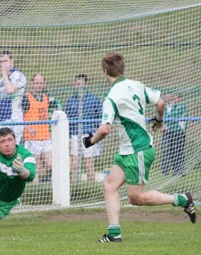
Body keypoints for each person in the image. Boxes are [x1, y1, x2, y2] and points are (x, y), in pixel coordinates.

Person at [83, 52, 196, 243]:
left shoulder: (110, 96)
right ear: (122, 69)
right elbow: (160, 103)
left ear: (104, 72)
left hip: (138, 150)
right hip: (129, 151)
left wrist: (90, 141)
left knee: (135, 198)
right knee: (110, 185)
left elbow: (104, 129)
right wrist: (159, 121)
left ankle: (182, 199)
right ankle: (114, 233)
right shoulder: (136, 85)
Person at [65, 74, 102, 182]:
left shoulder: (94, 99)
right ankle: (74, 186)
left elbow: (99, 117)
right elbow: (68, 121)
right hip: (75, 135)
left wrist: (96, 133)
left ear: (86, 84)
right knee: (74, 163)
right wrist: (68, 137)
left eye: (81, 84)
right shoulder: (71, 101)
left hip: (89, 134)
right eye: (77, 84)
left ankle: (90, 187)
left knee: (89, 163)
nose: (79, 86)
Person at [22, 74, 59, 183]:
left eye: (41, 83)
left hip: (45, 136)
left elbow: (55, 111)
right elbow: (20, 117)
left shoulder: (46, 97)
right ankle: (36, 190)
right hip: (32, 138)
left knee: (51, 163)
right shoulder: (26, 98)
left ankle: (50, 184)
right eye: (37, 83)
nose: (39, 85)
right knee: (35, 166)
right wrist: (28, 128)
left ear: (44, 84)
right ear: (32, 84)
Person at [0, 50, 27, 143]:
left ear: (12, 62)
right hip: (3, 119)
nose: (3, 64)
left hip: (15, 118)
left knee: (13, 147)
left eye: (5, 61)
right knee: (1, 147)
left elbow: (10, 90)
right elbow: (2, 99)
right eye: (1, 62)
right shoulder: (2, 80)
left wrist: (4, 74)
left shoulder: (19, 76)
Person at [161, 92, 188, 177]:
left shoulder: (180, 106)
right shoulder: (163, 108)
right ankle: (170, 171)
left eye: (169, 97)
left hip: (178, 131)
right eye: (165, 97)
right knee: (169, 151)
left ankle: (180, 171)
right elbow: (160, 118)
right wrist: (163, 125)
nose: (167, 98)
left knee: (178, 151)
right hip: (167, 132)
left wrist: (168, 122)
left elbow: (175, 117)